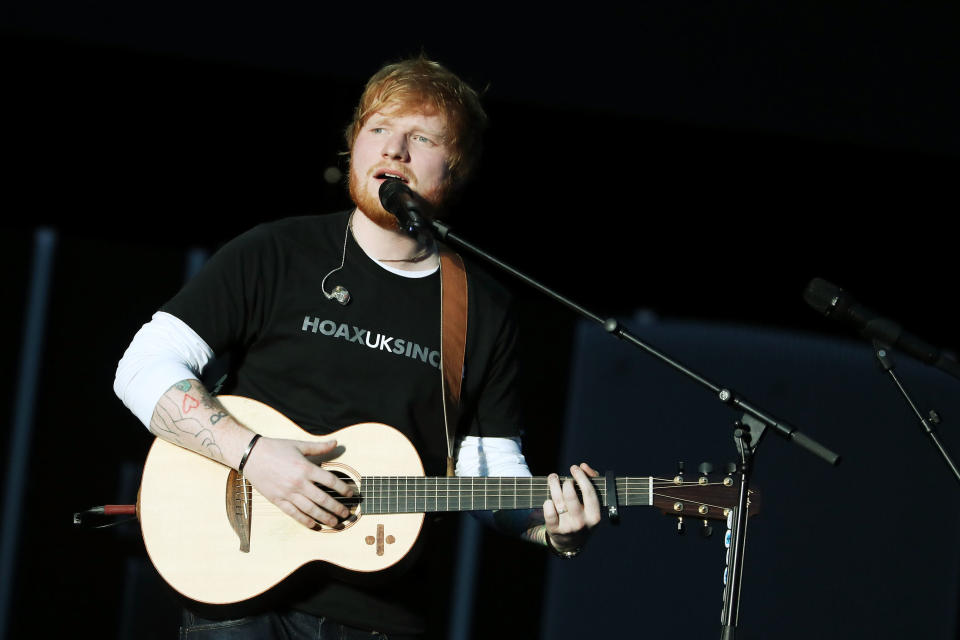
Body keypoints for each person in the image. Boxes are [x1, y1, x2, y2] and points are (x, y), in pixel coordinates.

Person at [114, 55, 601, 639]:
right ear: (354, 147)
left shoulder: (481, 307)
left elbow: (485, 469)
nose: (394, 150)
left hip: (380, 617)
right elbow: (142, 366)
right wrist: (253, 455)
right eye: (378, 130)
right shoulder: (277, 251)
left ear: (457, 168)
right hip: (237, 599)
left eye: (420, 137)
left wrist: (550, 526)